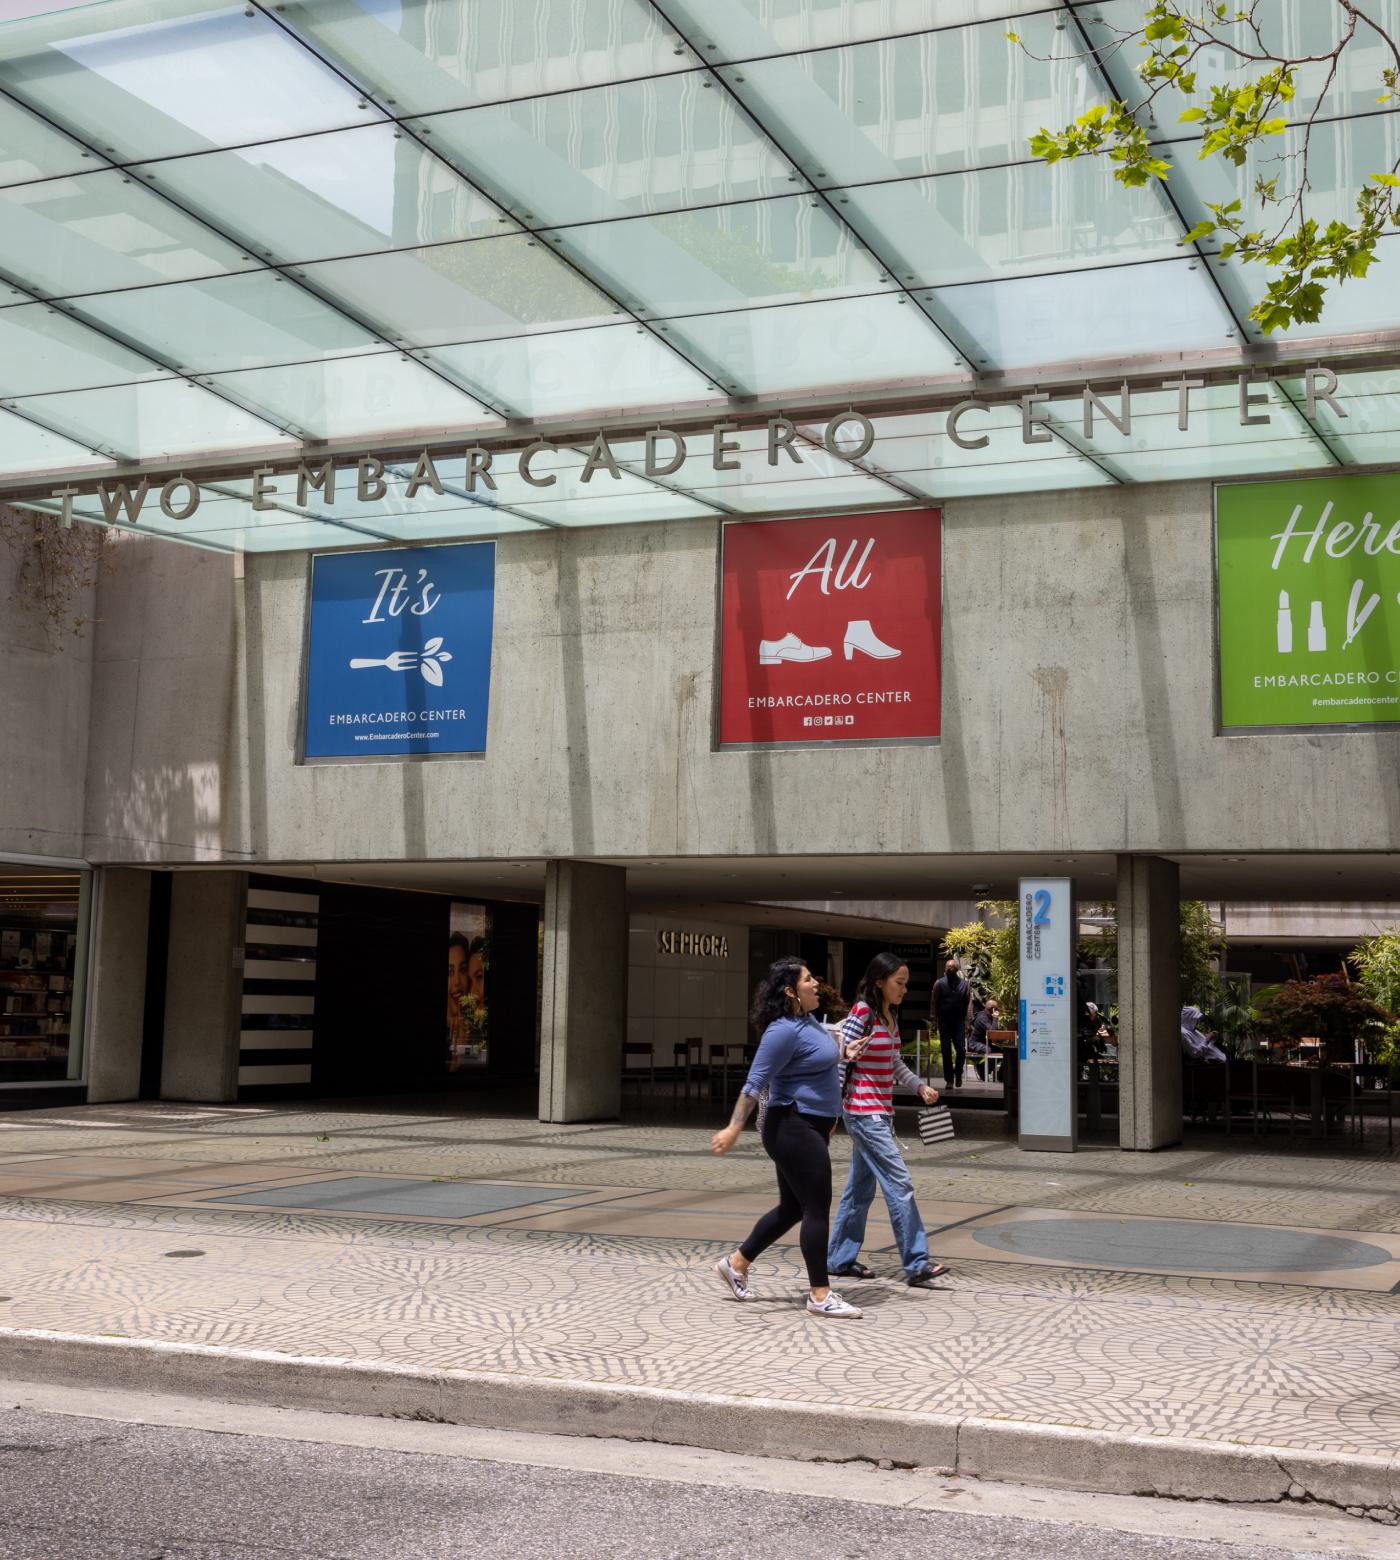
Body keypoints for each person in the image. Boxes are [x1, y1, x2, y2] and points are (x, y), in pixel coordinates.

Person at [710, 958, 863, 1319]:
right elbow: (754, 1083)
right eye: (808, 979)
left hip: (807, 1126)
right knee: (816, 1207)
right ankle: (820, 1294)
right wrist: (733, 1128)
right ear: (791, 991)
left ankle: (736, 1263)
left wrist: (845, 1052)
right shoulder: (781, 1030)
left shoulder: (806, 1022)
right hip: (792, 1125)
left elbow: (813, 1060)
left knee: (793, 1208)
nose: (816, 984)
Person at [828, 953, 949, 1288]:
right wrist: (832, 1112)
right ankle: (917, 1263)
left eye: (907, 983)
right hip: (863, 1113)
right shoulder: (862, 1012)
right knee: (900, 1184)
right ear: (879, 981)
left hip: (880, 1112)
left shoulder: (888, 1017)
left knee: (859, 1190)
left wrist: (919, 1086)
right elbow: (840, 1057)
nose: (904, 989)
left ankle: (839, 1259)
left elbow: (894, 1063)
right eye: (899, 983)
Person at [932, 957, 972, 1088]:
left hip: (959, 1022)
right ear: (944, 969)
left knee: (961, 1050)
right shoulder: (939, 983)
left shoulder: (964, 985)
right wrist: (934, 1020)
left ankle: (958, 1074)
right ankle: (949, 1079)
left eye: (952, 968)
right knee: (945, 1050)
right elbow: (934, 1002)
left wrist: (968, 1022)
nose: (949, 970)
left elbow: (969, 1004)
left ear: (957, 970)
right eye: (947, 968)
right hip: (944, 1021)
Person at [967, 996, 1000, 1081]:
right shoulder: (982, 1018)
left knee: (1004, 1051)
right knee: (989, 1050)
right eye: (997, 1009)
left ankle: (1001, 1075)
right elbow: (992, 1033)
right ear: (992, 1009)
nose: (998, 1011)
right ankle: (982, 1070)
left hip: (985, 1043)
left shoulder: (990, 1017)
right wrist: (995, 1018)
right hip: (974, 1043)